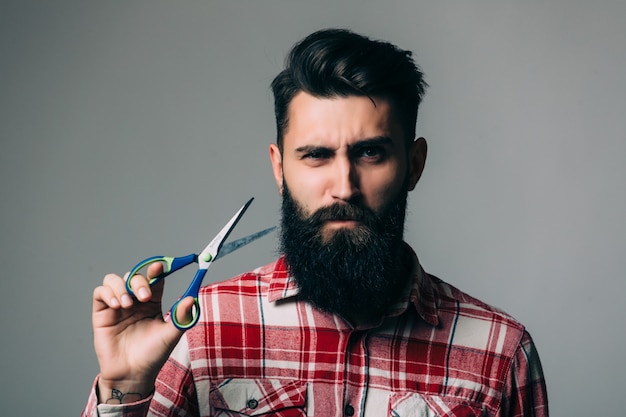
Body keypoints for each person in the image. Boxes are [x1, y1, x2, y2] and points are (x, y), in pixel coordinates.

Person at [82, 28, 548, 416]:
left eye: (371, 152)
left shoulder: (501, 355)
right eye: (316, 155)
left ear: (414, 164)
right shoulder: (196, 336)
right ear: (279, 168)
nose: (343, 186)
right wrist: (125, 385)